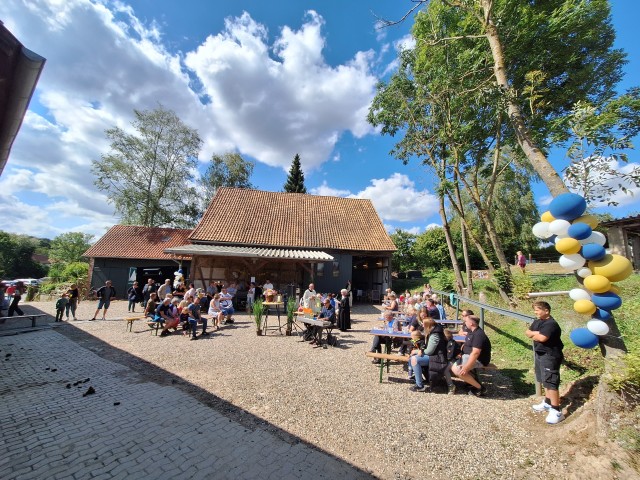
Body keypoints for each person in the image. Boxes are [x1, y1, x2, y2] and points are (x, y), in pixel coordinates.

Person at [526, 301, 565, 424]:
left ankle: (556, 410)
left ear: (546, 310)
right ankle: (547, 403)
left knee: (551, 382)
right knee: (544, 380)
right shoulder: (538, 321)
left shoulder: (551, 324)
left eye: (537, 310)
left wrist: (536, 334)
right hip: (540, 354)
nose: (535, 312)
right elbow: (528, 332)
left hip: (550, 355)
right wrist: (535, 334)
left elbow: (543, 338)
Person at [451, 314, 491, 396]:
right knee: (452, 363)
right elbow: (467, 343)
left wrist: (467, 367)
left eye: (466, 321)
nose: (464, 323)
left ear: (471, 323)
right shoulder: (471, 331)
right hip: (467, 355)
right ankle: (472, 383)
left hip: (479, 359)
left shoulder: (479, 335)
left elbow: (475, 353)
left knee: (457, 370)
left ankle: (480, 388)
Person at [409, 318, 448, 392]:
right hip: (434, 355)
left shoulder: (435, 335)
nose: (422, 325)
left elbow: (429, 351)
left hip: (439, 358)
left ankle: (420, 386)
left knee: (414, 359)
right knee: (412, 358)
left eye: (423, 324)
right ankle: (417, 379)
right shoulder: (433, 331)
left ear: (427, 325)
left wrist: (417, 351)